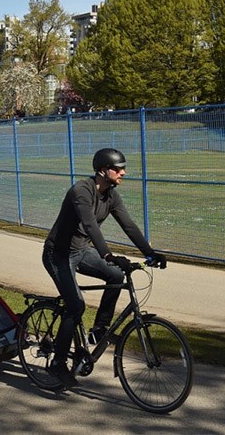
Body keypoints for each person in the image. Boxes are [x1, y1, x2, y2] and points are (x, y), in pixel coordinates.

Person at [42, 148, 167, 388]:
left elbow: (128, 225)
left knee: (115, 274)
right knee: (75, 305)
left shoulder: (111, 195)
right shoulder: (81, 191)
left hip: (82, 251)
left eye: (123, 168)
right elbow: (90, 225)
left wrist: (150, 253)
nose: (123, 173)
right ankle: (58, 363)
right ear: (102, 170)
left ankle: (99, 328)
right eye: (118, 169)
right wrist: (108, 254)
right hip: (58, 254)